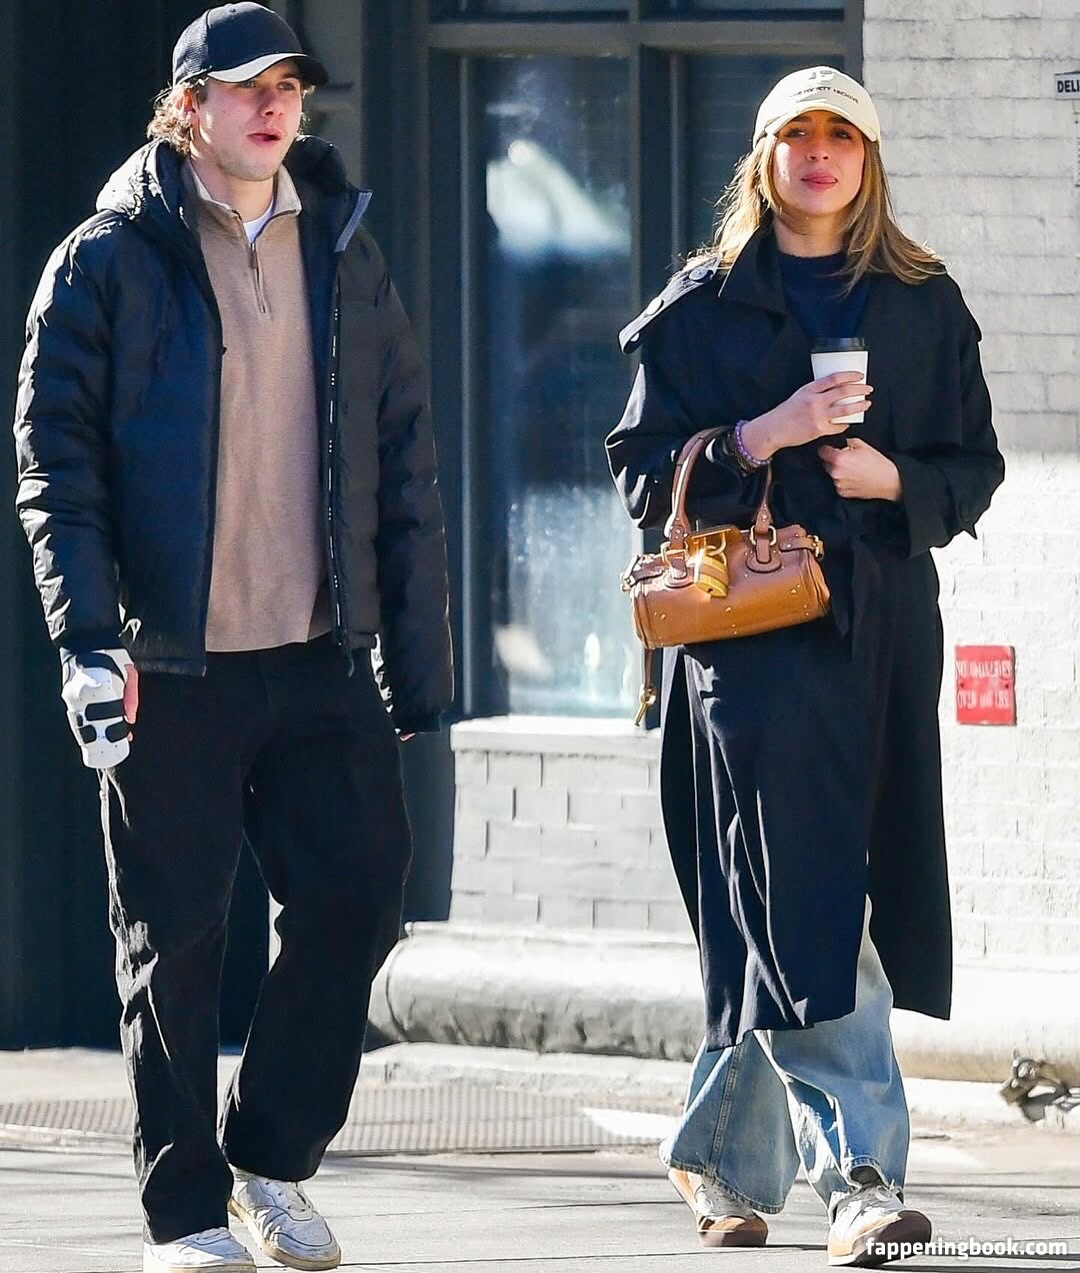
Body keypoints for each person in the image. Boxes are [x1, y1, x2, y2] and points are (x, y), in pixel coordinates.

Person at [13, 5, 452, 1271]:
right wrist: (88, 639)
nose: (272, 107)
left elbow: (404, 455)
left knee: (360, 892)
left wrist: (417, 660)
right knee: (176, 942)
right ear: (187, 106)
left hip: (319, 652)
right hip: (170, 663)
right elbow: (56, 466)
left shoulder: (345, 247)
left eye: (289, 87)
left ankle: (267, 1155)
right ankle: (187, 1214)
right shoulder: (107, 259)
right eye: (245, 87)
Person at [606, 67, 1003, 1267]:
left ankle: (719, 1154)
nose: (820, 153)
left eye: (843, 135)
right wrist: (760, 436)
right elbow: (641, 474)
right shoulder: (702, 305)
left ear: (868, 160)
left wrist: (898, 480)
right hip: (752, 648)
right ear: (765, 156)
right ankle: (860, 1178)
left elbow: (976, 466)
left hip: (882, 636)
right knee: (805, 893)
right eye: (798, 134)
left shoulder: (924, 301)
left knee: (793, 896)